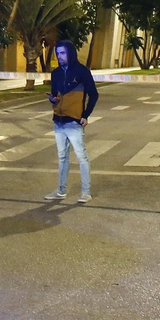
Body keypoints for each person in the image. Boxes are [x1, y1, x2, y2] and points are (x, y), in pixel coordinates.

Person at [45, 38, 98, 203]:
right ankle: (61, 191)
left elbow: (94, 94)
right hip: (58, 121)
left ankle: (85, 192)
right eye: (57, 53)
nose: (59, 56)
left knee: (82, 156)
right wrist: (53, 100)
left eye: (62, 53)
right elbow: (57, 95)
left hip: (74, 122)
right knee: (62, 157)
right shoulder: (56, 74)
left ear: (70, 53)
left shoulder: (82, 71)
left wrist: (85, 115)